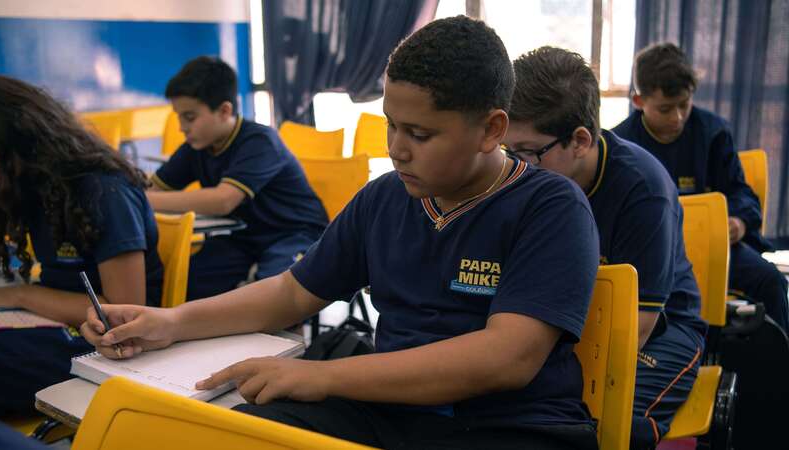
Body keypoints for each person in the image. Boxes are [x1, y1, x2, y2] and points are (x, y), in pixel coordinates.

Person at [81, 16, 601, 450]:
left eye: (420, 134)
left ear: (492, 129)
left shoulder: (550, 206)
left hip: (511, 427)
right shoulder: (385, 198)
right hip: (393, 414)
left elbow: (505, 358)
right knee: (237, 432)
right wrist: (172, 322)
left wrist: (321, 375)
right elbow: (291, 292)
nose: (398, 148)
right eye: (390, 125)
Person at [504, 46, 708, 449]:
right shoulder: (528, 181)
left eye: (528, 152)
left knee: (605, 425)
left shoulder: (644, 191)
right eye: (508, 150)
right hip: (565, 327)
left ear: (580, 140)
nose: (515, 166)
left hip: (662, 330)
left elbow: (639, 327)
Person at [0, 74, 163, 416]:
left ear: (23, 146)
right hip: (53, 325)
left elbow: (126, 312)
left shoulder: (102, 190)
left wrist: (18, 295)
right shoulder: (31, 187)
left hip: (108, 346)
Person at [613, 42, 789, 333]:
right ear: (638, 101)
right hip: (648, 254)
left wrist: (739, 222)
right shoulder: (621, 144)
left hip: (714, 250)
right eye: (665, 109)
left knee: (770, 280)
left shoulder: (713, 132)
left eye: (684, 104)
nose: (677, 117)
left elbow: (741, 193)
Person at [148, 56, 328, 300]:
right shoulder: (196, 147)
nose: (182, 127)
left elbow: (223, 200)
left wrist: (145, 200)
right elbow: (154, 188)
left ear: (224, 111)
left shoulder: (260, 141)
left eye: (189, 117)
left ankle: (291, 337)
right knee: (183, 281)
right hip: (245, 238)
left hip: (296, 233)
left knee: (278, 296)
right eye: (178, 117)